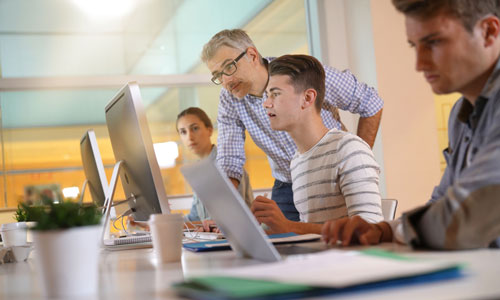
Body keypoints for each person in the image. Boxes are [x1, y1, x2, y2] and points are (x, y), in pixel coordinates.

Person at [322, 0, 500, 250]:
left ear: (489, 32)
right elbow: (444, 201)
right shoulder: (461, 113)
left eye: (434, 42)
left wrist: (393, 230)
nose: (419, 64)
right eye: (414, 46)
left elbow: (468, 217)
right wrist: (383, 230)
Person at [201, 29, 384, 222]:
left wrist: (355, 158)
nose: (226, 81)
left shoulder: (300, 75)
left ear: (252, 55)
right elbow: (230, 159)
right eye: (218, 75)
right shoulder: (230, 99)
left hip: (331, 173)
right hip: (289, 179)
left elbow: (370, 103)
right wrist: (221, 213)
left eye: (229, 67)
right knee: (287, 245)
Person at [250, 54, 383, 235]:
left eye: (275, 94)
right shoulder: (297, 162)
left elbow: (369, 232)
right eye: (267, 95)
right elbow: (310, 234)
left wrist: (289, 226)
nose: (265, 104)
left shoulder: (349, 150)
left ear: (307, 98)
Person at [176, 107, 254, 231]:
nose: (189, 136)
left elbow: (236, 215)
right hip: (213, 238)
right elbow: (195, 218)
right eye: (183, 132)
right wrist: (156, 224)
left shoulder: (229, 163)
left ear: (209, 130)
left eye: (195, 128)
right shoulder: (198, 171)